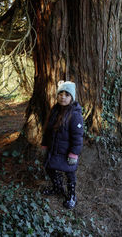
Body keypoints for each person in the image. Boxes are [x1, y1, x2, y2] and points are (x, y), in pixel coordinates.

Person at [40, 80, 84, 209]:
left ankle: (71, 195)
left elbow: (77, 137)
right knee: (49, 167)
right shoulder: (55, 110)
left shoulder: (75, 115)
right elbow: (48, 130)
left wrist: (74, 154)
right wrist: (45, 144)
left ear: (72, 97)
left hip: (67, 151)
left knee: (70, 173)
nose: (63, 97)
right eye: (61, 94)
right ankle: (57, 187)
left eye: (67, 94)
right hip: (54, 148)